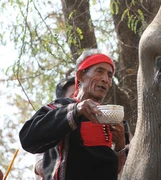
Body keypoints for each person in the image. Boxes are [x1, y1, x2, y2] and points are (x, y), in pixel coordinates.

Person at [19, 49, 126, 180]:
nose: (105, 79)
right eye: (99, 71)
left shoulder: (113, 119)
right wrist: (76, 110)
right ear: (81, 75)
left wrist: (120, 145)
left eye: (110, 75)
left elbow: (117, 172)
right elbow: (27, 138)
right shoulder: (62, 106)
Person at [34, 76, 76, 180]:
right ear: (61, 102)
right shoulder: (49, 130)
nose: (79, 100)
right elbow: (40, 165)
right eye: (74, 95)